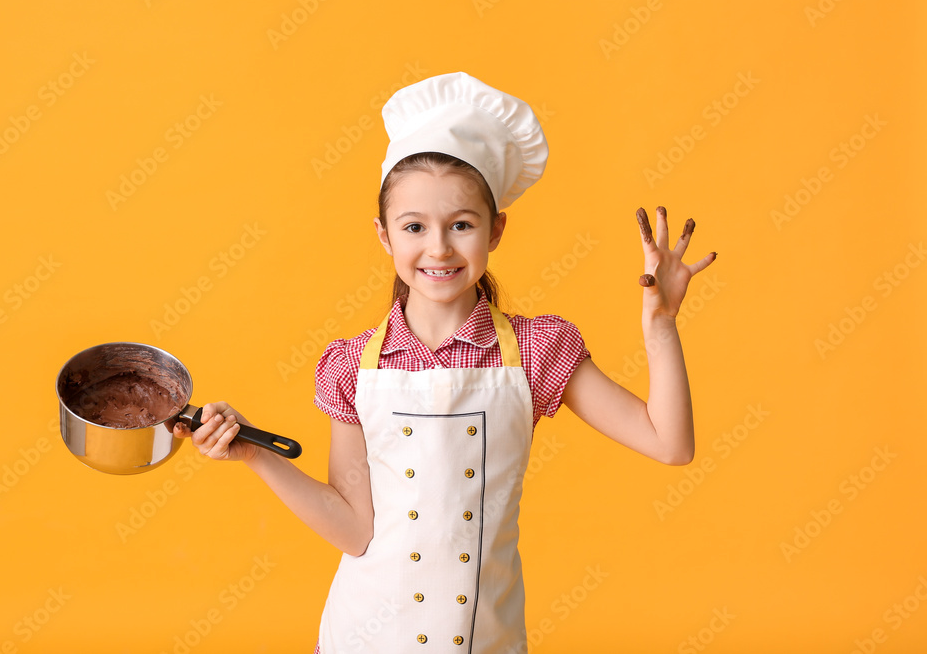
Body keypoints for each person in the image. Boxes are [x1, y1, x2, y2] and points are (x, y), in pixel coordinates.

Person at [174, 71, 717, 652]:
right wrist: (255, 454)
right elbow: (356, 531)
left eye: (461, 224)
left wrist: (661, 326)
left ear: (496, 230)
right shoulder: (350, 365)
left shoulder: (539, 351)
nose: (438, 248)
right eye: (414, 227)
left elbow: (670, 444)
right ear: (384, 236)